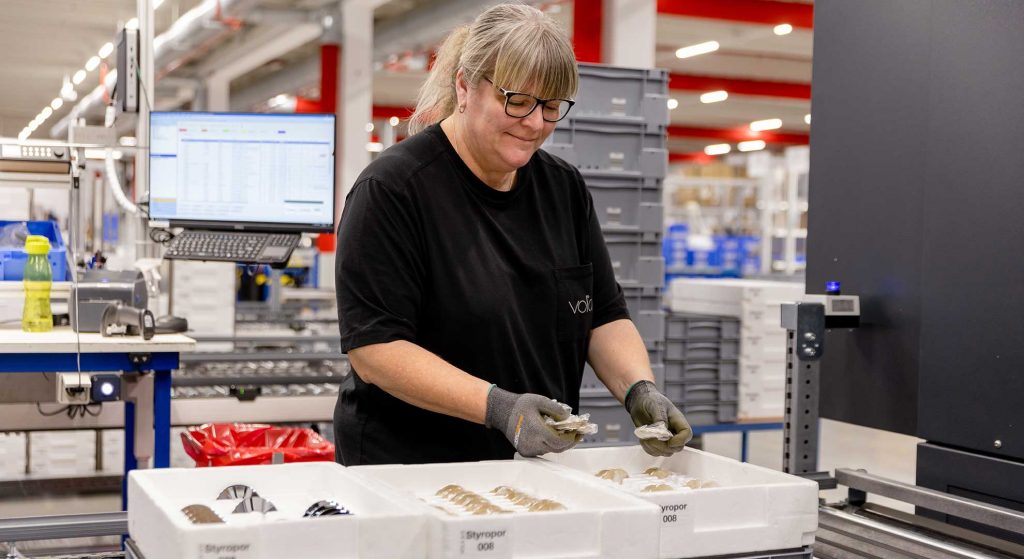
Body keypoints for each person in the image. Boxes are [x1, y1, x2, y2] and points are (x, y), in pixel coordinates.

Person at [333, 3, 691, 465]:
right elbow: (376, 349)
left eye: (550, 106)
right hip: (411, 468)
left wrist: (639, 389)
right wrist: (500, 408)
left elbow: (602, 314)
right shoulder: (393, 190)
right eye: (517, 101)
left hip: (534, 466)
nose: (536, 123)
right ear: (464, 86)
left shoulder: (563, 189)